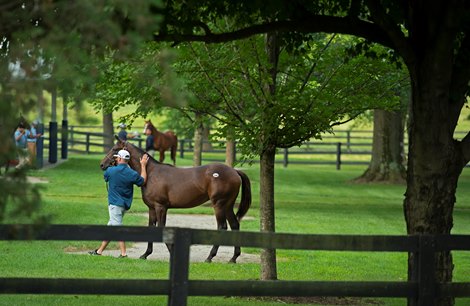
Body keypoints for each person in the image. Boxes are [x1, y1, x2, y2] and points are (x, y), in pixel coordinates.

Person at [89, 149, 149, 258]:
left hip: (114, 205)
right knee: (111, 228)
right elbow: (142, 181)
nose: (116, 159)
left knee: (117, 229)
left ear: (120, 158)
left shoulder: (111, 171)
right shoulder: (132, 173)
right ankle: (99, 251)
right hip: (124, 205)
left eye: (117, 157)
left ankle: (123, 254)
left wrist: (112, 166)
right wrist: (143, 165)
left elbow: (106, 177)